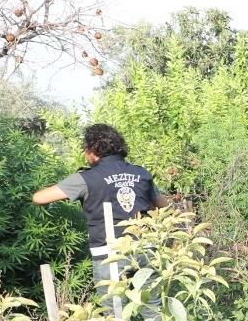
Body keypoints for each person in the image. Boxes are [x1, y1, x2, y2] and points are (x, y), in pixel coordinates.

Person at [31, 123, 170, 306]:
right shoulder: (142, 174)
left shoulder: (85, 179)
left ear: (94, 149)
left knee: (114, 314)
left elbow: (39, 198)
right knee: (153, 309)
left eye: (85, 149)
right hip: (144, 250)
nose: (84, 154)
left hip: (109, 254)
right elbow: (164, 208)